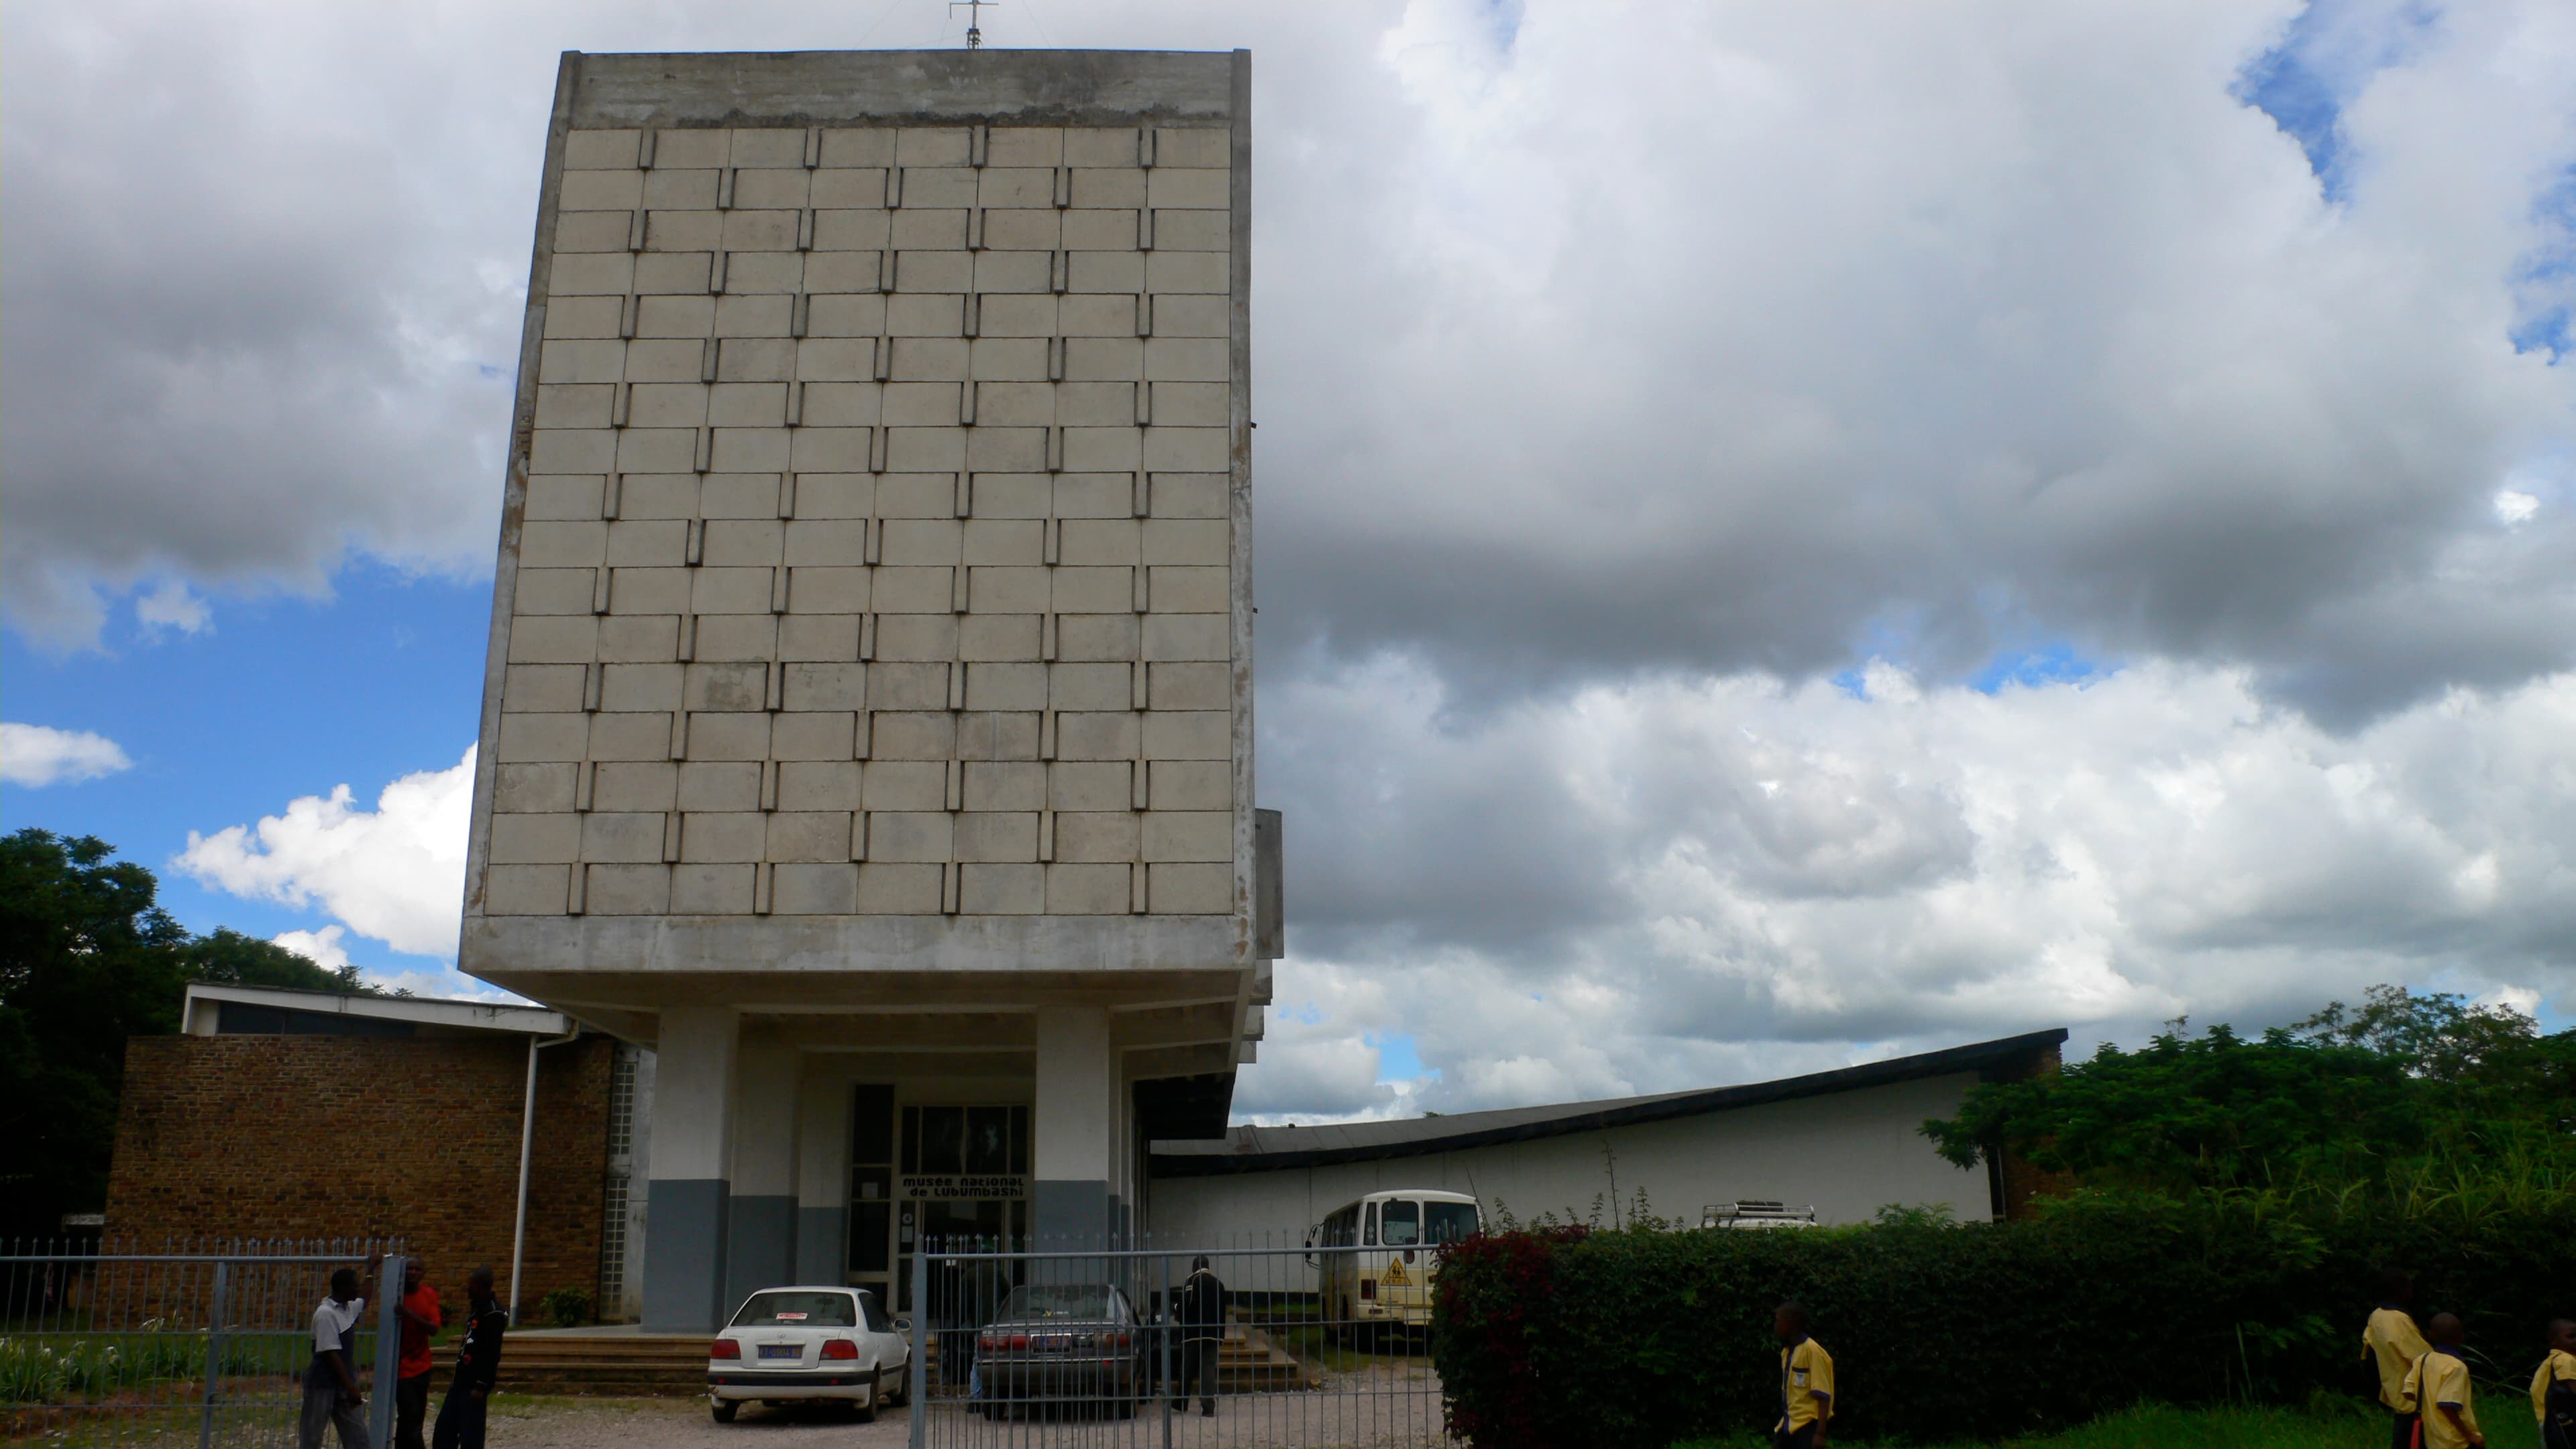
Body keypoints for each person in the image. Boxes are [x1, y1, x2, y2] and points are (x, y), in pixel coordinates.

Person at [302, 1252, 384, 1449]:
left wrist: (371, 1270)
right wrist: (352, 1388)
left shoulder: (347, 1308)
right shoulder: (326, 1314)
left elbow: (365, 1297)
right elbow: (332, 1354)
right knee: (312, 1437)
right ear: (343, 1288)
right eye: (354, 1285)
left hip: (343, 1383)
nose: (357, 1288)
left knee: (358, 1438)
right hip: (323, 1384)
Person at [431, 1267, 506, 1449]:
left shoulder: (493, 1313)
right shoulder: (477, 1309)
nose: (467, 1289)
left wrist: (482, 1384)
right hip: (460, 1381)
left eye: (471, 1285)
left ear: (480, 1286)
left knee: (471, 1434)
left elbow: (492, 1353)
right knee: (444, 1431)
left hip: (474, 1385)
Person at [2364, 1267, 2432, 1449]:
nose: (2412, 1293)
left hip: (2396, 1390)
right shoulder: (2398, 1320)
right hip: (2414, 1397)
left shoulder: (2376, 1316)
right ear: (2399, 1291)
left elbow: (2367, 1349)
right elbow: (2423, 1357)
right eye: (2409, 1288)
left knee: (2401, 1438)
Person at [2402, 1313, 2485, 1449]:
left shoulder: (2422, 1360)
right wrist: (2470, 1435)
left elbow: (2408, 1393)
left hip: (2431, 1437)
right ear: (2461, 1337)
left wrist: (2429, 1399)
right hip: (2456, 1441)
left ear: (2430, 1335)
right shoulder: (2456, 1367)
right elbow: (2446, 1406)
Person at [393, 1259, 443, 1449]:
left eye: (417, 1269)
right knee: (409, 1416)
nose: (413, 1272)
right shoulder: (395, 1295)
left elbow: (434, 1329)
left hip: (423, 1365)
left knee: (416, 1418)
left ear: (423, 1272)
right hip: (401, 1368)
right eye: (409, 1269)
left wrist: (408, 1314)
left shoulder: (428, 1294)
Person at [1772, 1301, 1833, 1449]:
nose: (1776, 1325)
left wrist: (1820, 1434)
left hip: (1807, 1427)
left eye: (1778, 1320)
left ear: (1791, 1323)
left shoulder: (1812, 1351)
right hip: (1789, 1424)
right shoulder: (1787, 1352)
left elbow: (1824, 1395)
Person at [1171, 1255, 1225, 1417]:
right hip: (1213, 1334)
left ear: (1195, 1267)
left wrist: (1176, 1309)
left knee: (1187, 1368)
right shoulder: (1219, 1285)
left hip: (1193, 1333)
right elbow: (1223, 1310)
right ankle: (1208, 1406)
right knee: (1208, 1368)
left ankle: (1181, 1401)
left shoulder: (1192, 1281)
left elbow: (1186, 1303)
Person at [2533, 1318, 2576, 1449]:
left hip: (2548, 1423)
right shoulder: (2565, 1359)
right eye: (2571, 1336)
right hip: (2566, 1424)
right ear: (2553, 1341)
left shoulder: (2548, 1363)